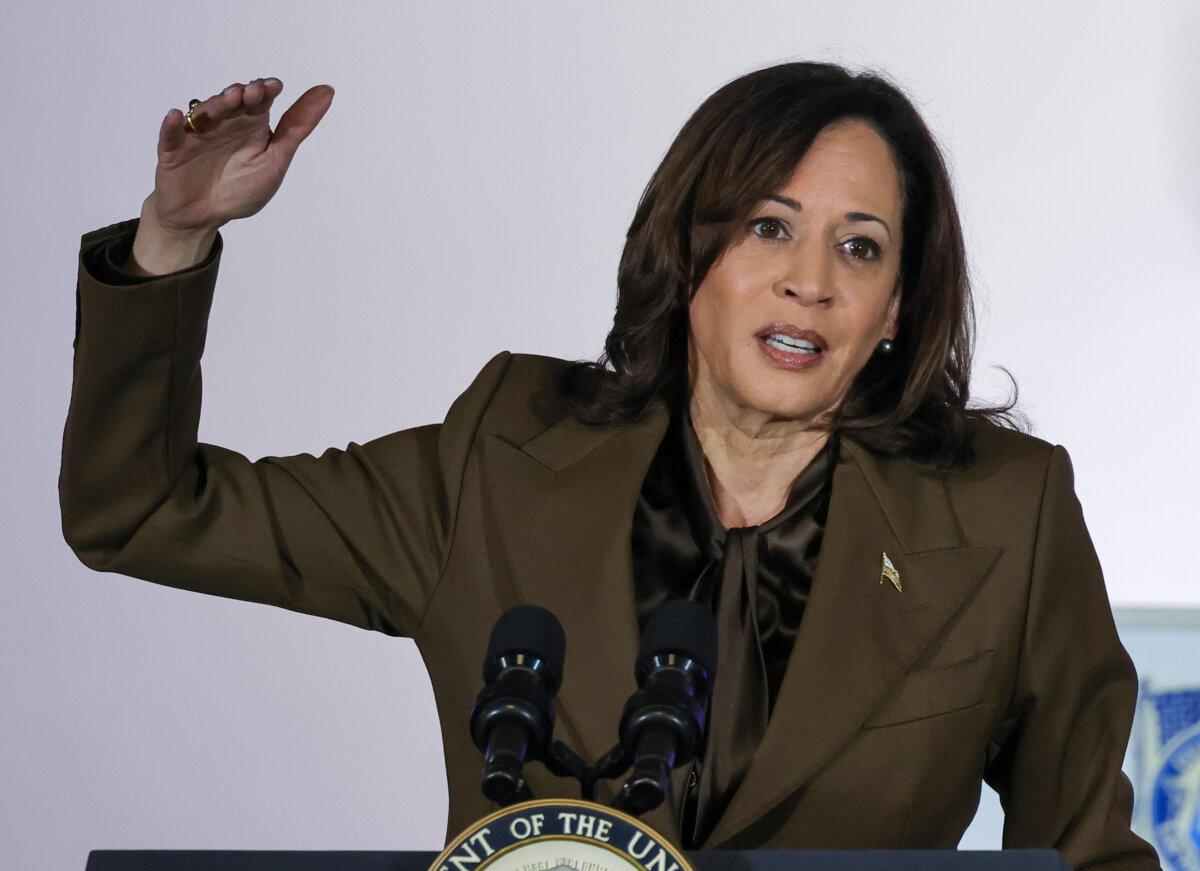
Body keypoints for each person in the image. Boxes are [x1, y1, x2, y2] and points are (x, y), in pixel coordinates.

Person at [59, 62, 1161, 868]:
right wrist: (174, 237)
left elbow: (1088, 858)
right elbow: (139, 508)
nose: (811, 280)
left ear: (896, 308)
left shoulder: (1004, 515)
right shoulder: (502, 457)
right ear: (689, 249)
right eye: (769, 227)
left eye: (859, 246)